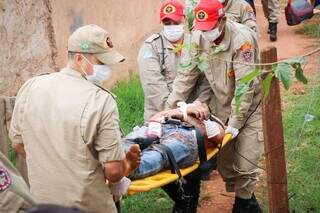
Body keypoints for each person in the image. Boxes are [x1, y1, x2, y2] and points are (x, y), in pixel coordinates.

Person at [9, 24, 141, 213]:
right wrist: (128, 165)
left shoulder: (31, 86)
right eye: (101, 63)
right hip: (88, 205)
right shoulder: (100, 100)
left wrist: (55, 163)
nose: (107, 69)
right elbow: (113, 172)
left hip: (43, 205)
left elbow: (18, 144)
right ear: (79, 58)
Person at [166, 0, 263, 212]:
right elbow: (186, 74)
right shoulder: (197, 37)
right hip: (221, 106)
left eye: (211, 27)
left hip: (249, 107)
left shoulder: (242, 39)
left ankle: (245, 203)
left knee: (246, 163)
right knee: (226, 166)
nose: (206, 33)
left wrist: (235, 124)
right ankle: (246, 199)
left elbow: (245, 86)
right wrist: (169, 110)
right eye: (203, 29)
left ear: (223, 20)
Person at [137, 1, 207, 212]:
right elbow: (155, 90)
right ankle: (181, 197)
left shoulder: (196, 43)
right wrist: (180, 111)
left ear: (184, 20)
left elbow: (205, 80)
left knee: (191, 165)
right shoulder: (151, 47)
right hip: (160, 115)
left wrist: (198, 106)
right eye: (166, 22)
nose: (171, 26)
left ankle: (187, 203)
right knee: (159, 160)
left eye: (175, 21)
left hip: (191, 116)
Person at [124, 102, 225, 179]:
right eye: (196, 102)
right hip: (159, 126)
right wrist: (182, 111)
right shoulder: (182, 109)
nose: (197, 103)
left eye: (201, 103)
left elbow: (219, 136)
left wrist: (197, 119)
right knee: (131, 141)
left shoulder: (211, 121)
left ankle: (129, 168)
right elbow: (155, 118)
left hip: (185, 136)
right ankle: (114, 157)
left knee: (160, 153)